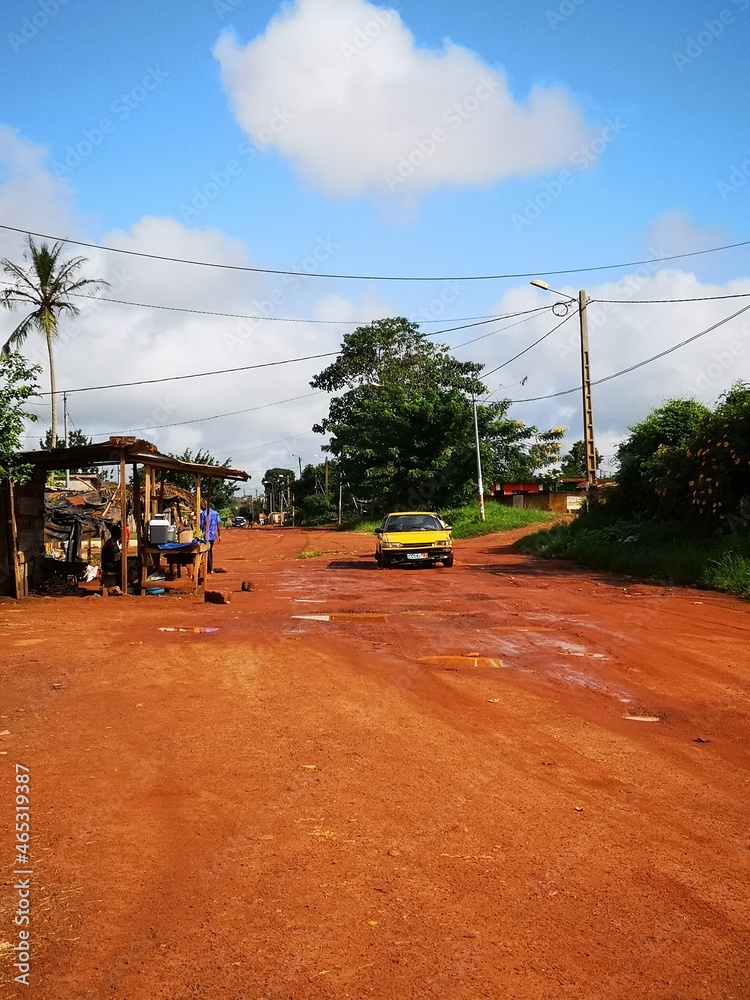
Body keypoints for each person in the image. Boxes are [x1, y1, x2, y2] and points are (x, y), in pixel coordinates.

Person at [200, 500, 221, 573]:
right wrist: (219, 535)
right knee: (210, 550)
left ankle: (210, 568)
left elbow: (201, 525)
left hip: (206, 535)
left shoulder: (203, 514)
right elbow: (218, 524)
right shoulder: (215, 513)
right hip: (213, 535)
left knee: (207, 551)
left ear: (203, 505)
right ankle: (210, 567)